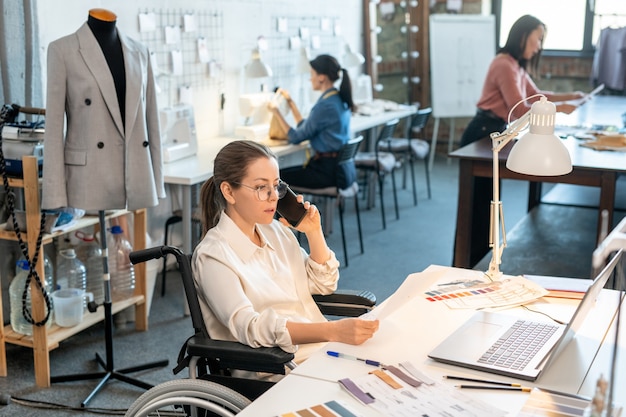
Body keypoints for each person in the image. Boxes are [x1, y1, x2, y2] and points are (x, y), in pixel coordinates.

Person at [192, 140, 379, 367]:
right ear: (229, 191)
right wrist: (333, 330)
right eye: (261, 187)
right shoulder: (213, 256)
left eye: (276, 186)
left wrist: (314, 232)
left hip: (319, 349)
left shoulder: (276, 231)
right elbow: (250, 327)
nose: (273, 197)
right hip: (276, 366)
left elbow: (324, 284)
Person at [43, 8, 164, 212]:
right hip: (89, 175)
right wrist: (55, 194)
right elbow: (53, 129)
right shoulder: (63, 50)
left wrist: (157, 180)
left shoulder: (140, 51)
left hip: (135, 169)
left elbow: (152, 118)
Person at [459, 14, 587, 147]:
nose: (538, 47)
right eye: (538, 39)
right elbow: (519, 110)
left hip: (497, 128)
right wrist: (559, 108)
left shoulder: (515, 65)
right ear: (523, 36)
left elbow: (535, 96)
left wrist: (572, 96)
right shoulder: (504, 65)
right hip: (484, 132)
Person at [268, 54, 357, 190]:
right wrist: (291, 104)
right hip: (339, 168)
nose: (310, 79)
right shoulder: (337, 99)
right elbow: (307, 128)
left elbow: (296, 137)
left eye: (312, 74)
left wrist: (276, 112)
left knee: (275, 180)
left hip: (326, 171)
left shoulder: (325, 105)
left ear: (321, 77)